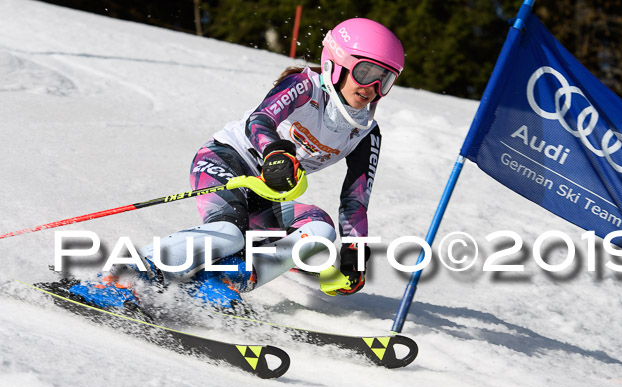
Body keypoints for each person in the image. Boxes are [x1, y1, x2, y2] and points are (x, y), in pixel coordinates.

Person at [67, 18, 405, 311]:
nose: (372, 88)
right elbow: (260, 120)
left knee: (320, 230)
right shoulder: (305, 86)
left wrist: (353, 251)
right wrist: (274, 152)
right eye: (366, 72)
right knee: (228, 232)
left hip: (266, 193)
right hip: (225, 162)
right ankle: (118, 276)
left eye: (385, 79)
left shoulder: (366, 133)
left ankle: (219, 282)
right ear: (336, 63)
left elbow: (355, 200)